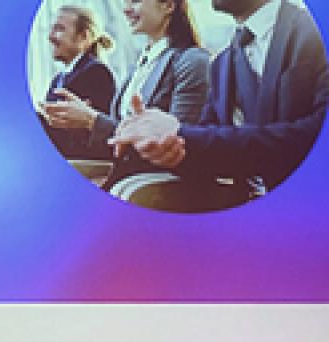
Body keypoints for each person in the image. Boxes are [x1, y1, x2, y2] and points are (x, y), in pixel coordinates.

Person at [110, 0, 329, 206]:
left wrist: (183, 136)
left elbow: (317, 137)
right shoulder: (222, 64)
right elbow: (209, 143)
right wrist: (172, 148)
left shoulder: (315, 32)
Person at [42, 0, 210, 186]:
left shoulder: (191, 61)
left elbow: (177, 145)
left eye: (135, 1)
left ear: (168, 6)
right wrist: (83, 122)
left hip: (154, 187)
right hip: (124, 178)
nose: (126, 10)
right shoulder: (139, 66)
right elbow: (115, 143)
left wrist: (92, 120)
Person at [39, 5, 118, 158]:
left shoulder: (97, 73)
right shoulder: (58, 79)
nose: (50, 36)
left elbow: (96, 141)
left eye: (59, 29)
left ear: (84, 37)